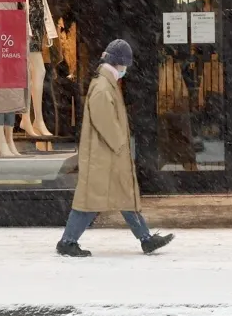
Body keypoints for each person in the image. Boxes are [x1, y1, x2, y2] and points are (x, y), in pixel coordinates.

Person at [57, 37, 173, 258]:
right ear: (119, 63)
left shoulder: (106, 84)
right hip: (105, 156)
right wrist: (121, 145)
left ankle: (146, 239)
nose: (126, 69)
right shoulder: (103, 88)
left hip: (107, 155)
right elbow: (106, 123)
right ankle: (67, 242)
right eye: (126, 65)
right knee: (89, 202)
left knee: (124, 197)